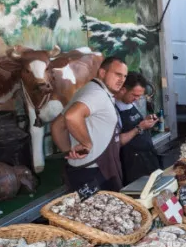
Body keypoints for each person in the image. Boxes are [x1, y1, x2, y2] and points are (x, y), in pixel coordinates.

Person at [51, 56, 129, 192]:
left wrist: (69, 152)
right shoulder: (96, 93)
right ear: (102, 73)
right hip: (95, 173)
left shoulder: (90, 89)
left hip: (86, 170)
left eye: (124, 76)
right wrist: (86, 144)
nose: (121, 80)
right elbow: (72, 116)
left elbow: (58, 125)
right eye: (117, 74)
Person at [115, 72, 162, 184]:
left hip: (149, 157)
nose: (136, 99)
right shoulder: (113, 109)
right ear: (123, 90)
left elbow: (137, 124)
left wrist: (147, 120)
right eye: (134, 95)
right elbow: (117, 141)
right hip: (133, 166)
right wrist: (139, 127)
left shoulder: (131, 103)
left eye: (139, 96)